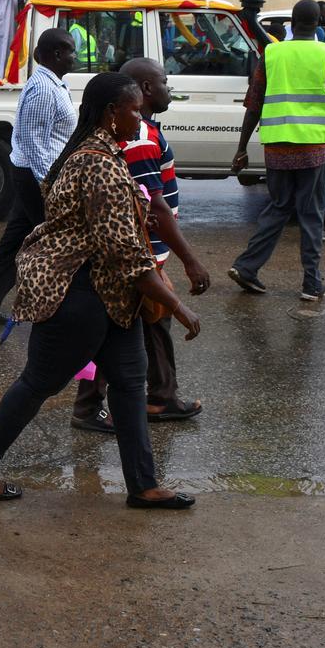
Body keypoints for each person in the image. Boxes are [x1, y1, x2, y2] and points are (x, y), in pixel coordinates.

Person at [0, 72, 201, 507]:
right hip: (78, 295)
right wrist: (178, 306)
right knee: (37, 384)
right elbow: (124, 252)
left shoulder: (101, 154)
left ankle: (143, 486)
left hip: (111, 297)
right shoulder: (97, 164)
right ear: (111, 114)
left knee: (129, 383)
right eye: (132, 108)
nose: (139, 114)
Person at [72, 58, 211, 432]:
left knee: (151, 325)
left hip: (146, 252)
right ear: (146, 89)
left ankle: (161, 397)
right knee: (121, 328)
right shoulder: (141, 139)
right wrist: (190, 261)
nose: (169, 88)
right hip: (141, 253)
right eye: (164, 82)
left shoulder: (139, 132)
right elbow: (158, 207)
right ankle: (94, 406)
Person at [229, 0, 325, 301]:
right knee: (311, 214)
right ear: (320, 25)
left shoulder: (272, 53)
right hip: (314, 149)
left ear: (292, 25)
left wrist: (241, 148)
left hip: (278, 148)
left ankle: (247, 267)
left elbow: (253, 106)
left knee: (279, 207)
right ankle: (311, 283)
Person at [0, 28, 77, 325]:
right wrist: (49, 182)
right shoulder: (43, 88)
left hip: (33, 176)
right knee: (59, 243)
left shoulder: (52, 84)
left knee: (14, 244)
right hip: (35, 177)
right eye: (70, 51)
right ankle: (60, 312)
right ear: (56, 54)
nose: (74, 56)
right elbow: (32, 141)